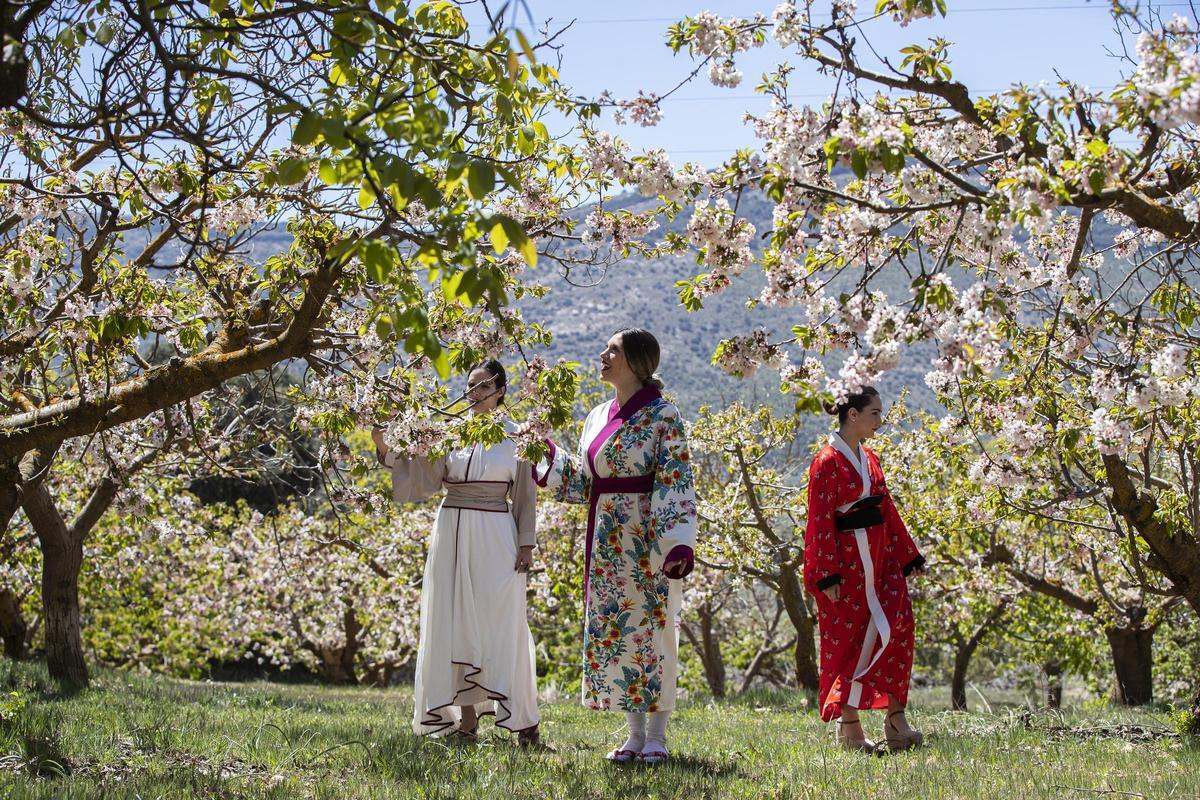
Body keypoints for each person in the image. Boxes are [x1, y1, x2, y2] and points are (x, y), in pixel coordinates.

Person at [533, 328, 697, 765]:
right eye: (605, 349)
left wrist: (678, 542)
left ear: (637, 361)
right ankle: (634, 734)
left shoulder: (664, 416)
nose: (602, 355)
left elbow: (675, 478)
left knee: (654, 630)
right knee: (618, 631)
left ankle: (658, 735)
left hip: (648, 538)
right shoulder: (597, 415)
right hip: (605, 540)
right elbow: (586, 482)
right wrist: (547, 455)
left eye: (613, 350)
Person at [372, 360, 541, 744]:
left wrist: (526, 543)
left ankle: (522, 717)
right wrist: (386, 444)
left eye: (483, 386)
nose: (474, 393)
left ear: (500, 390)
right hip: (450, 530)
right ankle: (466, 721)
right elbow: (423, 476)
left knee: (502, 622)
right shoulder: (449, 433)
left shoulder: (519, 436)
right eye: (469, 385)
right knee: (453, 623)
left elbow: (526, 497)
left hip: (497, 533)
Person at [803, 386, 926, 753]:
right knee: (851, 643)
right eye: (874, 412)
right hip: (848, 566)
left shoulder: (870, 458)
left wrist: (908, 555)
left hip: (881, 560)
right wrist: (827, 574)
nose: (880, 419)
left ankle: (895, 720)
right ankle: (850, 725)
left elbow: (886, 509)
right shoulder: (826, 462)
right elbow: (819, 521)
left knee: (900, 626)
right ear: (852, 415)